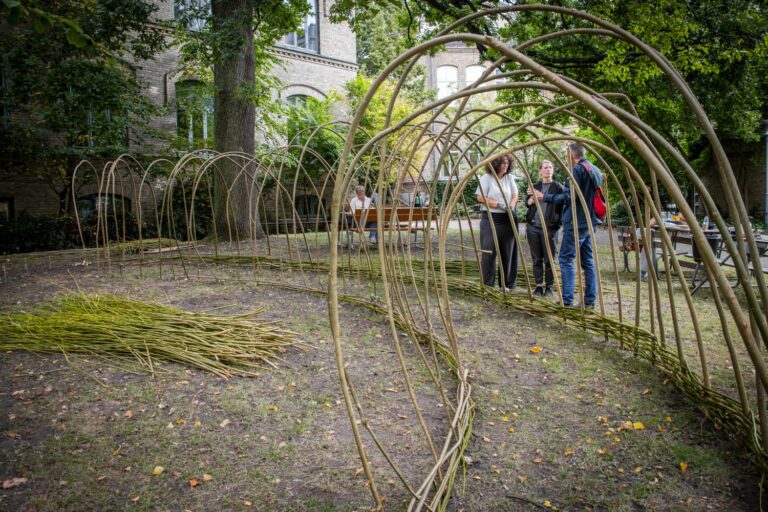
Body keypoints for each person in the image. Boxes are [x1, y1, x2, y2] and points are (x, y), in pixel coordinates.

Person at [534, 143, 602, 308]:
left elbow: (569, 196)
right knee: (588, 261)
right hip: (589, 222)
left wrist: (545, 197)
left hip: (576, 222)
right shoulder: (594, 169)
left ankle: (567, 300)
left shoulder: (576, 171)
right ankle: (590, 301)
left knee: (566, 259)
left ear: (572, 155)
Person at [476, 154, 519, 291]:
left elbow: (514, 195)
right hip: (490, 219)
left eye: (507, 163)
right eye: (502, 163)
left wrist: (510, 206)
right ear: (495, 164)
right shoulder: (486, 178)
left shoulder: (509, 178)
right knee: (489, 252)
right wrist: (498, 204)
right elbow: (480, 197)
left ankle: (506, 285)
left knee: (508, 252)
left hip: (507, 219)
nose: (506, 165)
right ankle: (488, 285)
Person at [525, 159, 564, 296]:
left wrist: (557, 222)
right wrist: (530, 200)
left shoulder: (558, 187)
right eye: (545, 168)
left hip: (550, 228)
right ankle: (538, 286)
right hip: (533, 226)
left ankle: (549, 287)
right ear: (540, 171)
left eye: (550, 167)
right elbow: (527, 203)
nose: (548, 170)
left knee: (549, 258)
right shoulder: (535, 186)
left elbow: (562, 203)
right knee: (536, 258)